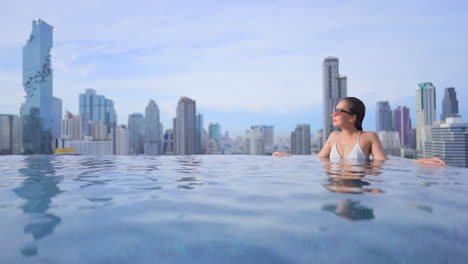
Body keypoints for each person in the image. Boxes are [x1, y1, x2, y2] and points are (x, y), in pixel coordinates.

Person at [274, 97, 445, 166]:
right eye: (334, 110)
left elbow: (384, 162)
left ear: (352, 117)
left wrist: (422, 161)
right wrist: (290, 157)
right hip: (335, 189)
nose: (334, 114)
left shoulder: (368, 137)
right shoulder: (333, 137)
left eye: (339, 111)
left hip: (360, 189)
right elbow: (318, 159)